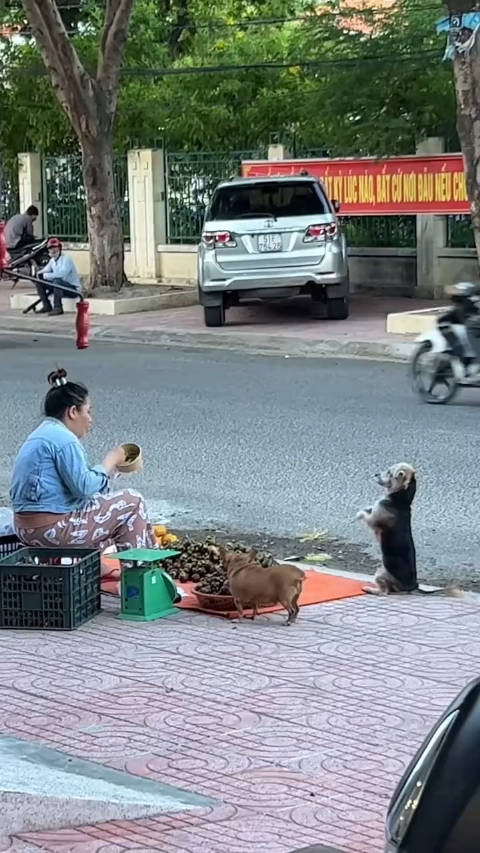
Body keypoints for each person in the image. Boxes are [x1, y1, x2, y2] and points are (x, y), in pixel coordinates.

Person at [10, 368, 156, 554]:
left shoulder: (41, 434)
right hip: (50, 530)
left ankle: (110, 569)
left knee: (103, 509)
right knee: (133, 502)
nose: (90, 420)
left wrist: (109, 473)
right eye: (88, 411)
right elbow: (84, 487)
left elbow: (83, 493)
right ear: (72, 412)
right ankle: (136, 576)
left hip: (26, 530)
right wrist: (111, 460)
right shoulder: (64, 439)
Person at [36, 236, 81, 316]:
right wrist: (38, 274)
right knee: (39, 282)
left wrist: (45, 275)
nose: (52, 250)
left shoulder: (66, 259)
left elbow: (62, 274)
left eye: (54, 247)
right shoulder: (52, 260)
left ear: (59, 248)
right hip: (60, 287)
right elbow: (45, 270)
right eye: (50, 248)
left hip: (72, 289)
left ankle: (58, 308)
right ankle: (46, 306)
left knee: (57, 281)